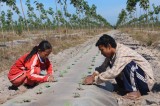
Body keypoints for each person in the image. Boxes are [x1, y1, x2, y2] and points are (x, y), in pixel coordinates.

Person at [83, 34, 155, 100]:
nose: (101, 53)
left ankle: (136, 91)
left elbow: (114, 72)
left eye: (102, 50)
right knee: (113, 64)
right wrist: (93, 75)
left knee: (128, 64)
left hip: (146, 81)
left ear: (109, 46)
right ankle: (126, 87)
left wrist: (95, 80)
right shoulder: (112, 53)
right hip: (139, 78)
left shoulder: (122, 53)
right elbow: (103, 67)